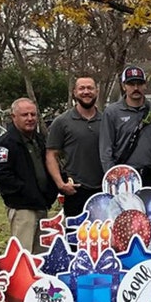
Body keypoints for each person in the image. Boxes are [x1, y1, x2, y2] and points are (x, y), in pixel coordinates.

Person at [0, 98, 57, 253]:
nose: (30, 118)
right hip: (22, 210)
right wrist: (25, 191)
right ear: (13, 117)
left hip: (41, 205)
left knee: (41, 255)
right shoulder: (4, 144)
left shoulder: (39, 140)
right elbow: (0, 175)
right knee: (23, 256)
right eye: (24, 115)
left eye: (33, 114)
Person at [46, 75, 104, 216]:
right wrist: (61, 184)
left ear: (97, 91)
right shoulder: (62, 122)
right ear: (74, 92)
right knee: (76, 236)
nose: (86, 92)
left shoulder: (106, 120)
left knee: (105, 236)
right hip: (76, 190)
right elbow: (51, 155)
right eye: (81, 88)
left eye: (90, 88)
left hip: (104, 190)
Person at [99, 65, 151, 185]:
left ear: (145, 85)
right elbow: (105, 150)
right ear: (124, 86)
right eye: (131, 84)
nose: (136, 88)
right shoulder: (112, 112)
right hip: (124, 176)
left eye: (139, 83)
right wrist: (112, 177)